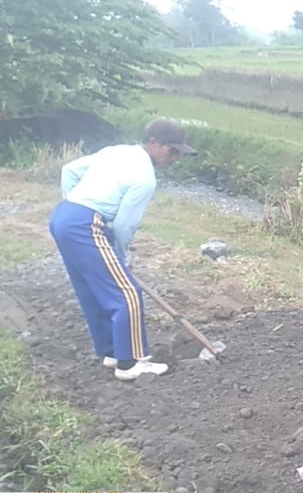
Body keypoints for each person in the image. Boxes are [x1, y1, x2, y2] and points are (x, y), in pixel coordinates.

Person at [49, 118, 196, 381]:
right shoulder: (145, 178)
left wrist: (73, 203)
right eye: (172, 150)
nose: (176, 157)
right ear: (153, 143)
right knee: (126, 292)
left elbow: (69, 170)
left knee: (93, 290)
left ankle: (113, 352)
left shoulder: (116, 151)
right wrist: (120, 256)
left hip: (63, 218)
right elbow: (125, 226)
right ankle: (130, 363)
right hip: (85, 225)